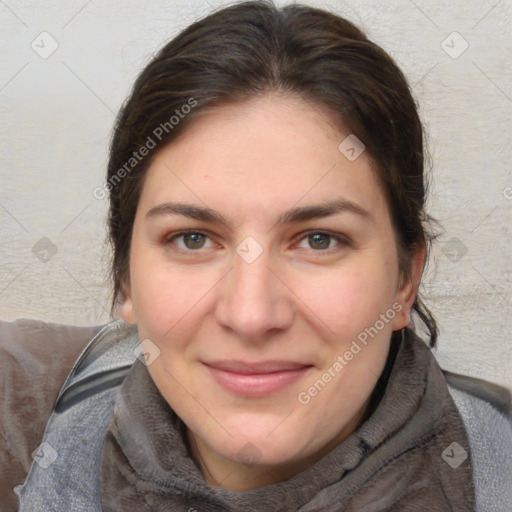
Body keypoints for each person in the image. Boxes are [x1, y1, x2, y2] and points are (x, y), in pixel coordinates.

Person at [1, 1, 511, 511]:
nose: (251, 314)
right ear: (125, 280)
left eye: (319, 240)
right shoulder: (36, 433)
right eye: (193, 239)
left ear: (405, 280)